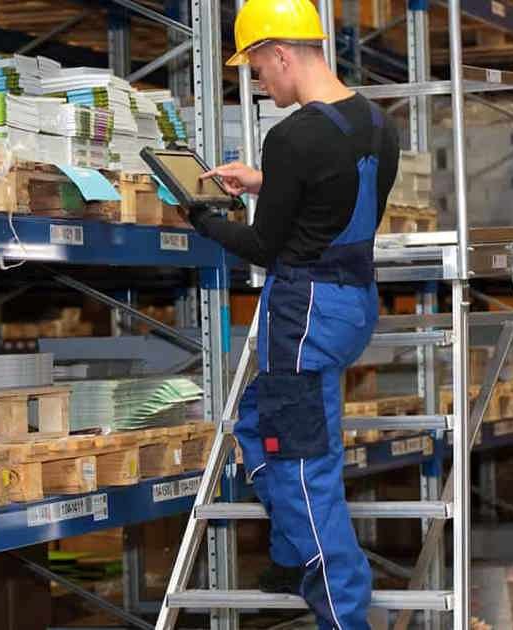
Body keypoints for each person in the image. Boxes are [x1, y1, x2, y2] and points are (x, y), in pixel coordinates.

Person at [186, 0, 400, 627]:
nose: (259, 83)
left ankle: (343, 611)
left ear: (281, 54)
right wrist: (264, 182)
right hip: (354, 303)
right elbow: (332, 197)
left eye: (257, 69)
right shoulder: (378, 123)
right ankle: (290, 555)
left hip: (306, 315)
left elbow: (265, 246)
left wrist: (202, 220)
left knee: (307, 466)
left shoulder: (291, 137)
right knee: (256, 419)